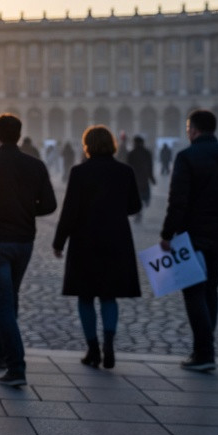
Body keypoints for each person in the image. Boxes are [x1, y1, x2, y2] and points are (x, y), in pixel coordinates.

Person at [0, 114, 57, 387]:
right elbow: (50, 205)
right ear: (18, 136)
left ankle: (16, 366)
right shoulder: (36, 165)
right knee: (11, 297)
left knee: (3, 303)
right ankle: (0, 349)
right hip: (23, 241)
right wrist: (28, 210)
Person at [160, 109, 218, 371]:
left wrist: (167, 234)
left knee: (192, 290)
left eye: (188, 128)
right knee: (211, 288)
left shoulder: (187, 156)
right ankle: (205, 350)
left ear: (194, 130)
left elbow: (178, 199)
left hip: (193, 232)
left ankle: (204, 353)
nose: (187, 132)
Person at [52, 126, 141, 369]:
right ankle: (109, 344)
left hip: (85, 240)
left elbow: (69, 211)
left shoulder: (79, 172)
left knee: (86, 296)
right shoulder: (125, 171)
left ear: (87, 146)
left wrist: (59, 242)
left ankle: (92, 348)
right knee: (109, 295)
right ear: (112, 144)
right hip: (116, 239)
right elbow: (134, 206)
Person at [125, 135, 156, 222]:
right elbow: (150, 166)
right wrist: (151, 177)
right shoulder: (147, 153)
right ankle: (143, 204)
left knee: (137, 196)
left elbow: (128, 167)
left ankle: (139, 212)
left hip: (135, 179)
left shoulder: (131, 153)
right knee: (143, 195)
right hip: (144, 178)